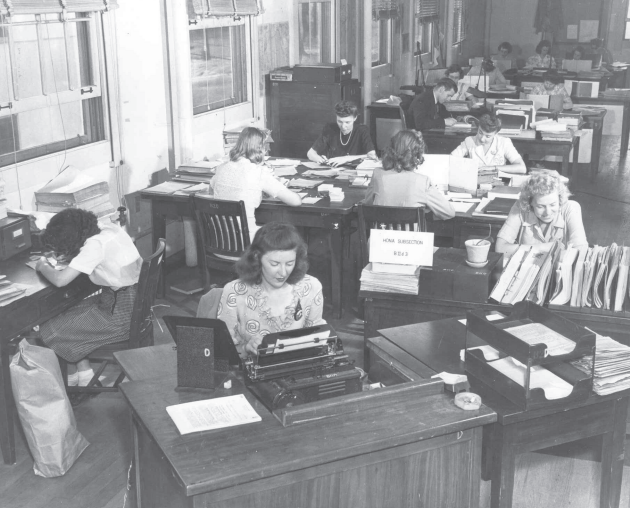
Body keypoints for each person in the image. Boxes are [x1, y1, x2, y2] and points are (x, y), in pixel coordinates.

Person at [36, 209, 143, 386]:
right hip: (133, 304)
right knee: (66, 312)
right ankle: (84, 374)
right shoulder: (110, 229)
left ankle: (71, 379)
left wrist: (43, 266)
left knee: (51, 328)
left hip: (119, 316)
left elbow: (61, 280)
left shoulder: (94, 245)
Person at [217, 222, 325, 358]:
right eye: (274, 264)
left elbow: (317, 340)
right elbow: (224, 351)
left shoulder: (311, 287)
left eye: (290, 263)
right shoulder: (234, 292)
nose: (283, 272)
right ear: (257, 257)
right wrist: (246, 348)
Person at [211, 127, 302, 241]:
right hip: (248, 246)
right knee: (287, 236)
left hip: (219, 243)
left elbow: (213, 188)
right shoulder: (259, 173)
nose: (265, 151)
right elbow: (296, 201)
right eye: (265, 147)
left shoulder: (221, 168)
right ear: (259, 149)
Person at [363, 130, 455, 220]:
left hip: (380, 234)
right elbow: (449, 212)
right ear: (417, 155)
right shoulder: (423, 182)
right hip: (412, 235)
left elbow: (367, 205)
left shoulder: (377, 174)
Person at [495, 171, 588, 256]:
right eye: (540, 206)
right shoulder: (520, 207)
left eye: (553, 205)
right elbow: (500, 248)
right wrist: (547, 248)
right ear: (530, 203)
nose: (547, 212)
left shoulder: (571, 208)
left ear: (560, 199)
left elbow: (581, 251)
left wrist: (527, 249)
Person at [450, 114, 526, 175]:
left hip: (498, 184)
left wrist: (493, 168)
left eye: (488, 136)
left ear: (496, 133)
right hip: (474, 182)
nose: (482, 139)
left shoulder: (504, 142)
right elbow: (450, 160)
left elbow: (522, 168)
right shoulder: (469, 141)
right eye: (480, 132)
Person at [307, 101, 376, 164]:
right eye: (339, 121)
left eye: (347, 122)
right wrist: (319, 159)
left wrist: (346, 158)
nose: (343, 126)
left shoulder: (362, 130)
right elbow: (310, 153)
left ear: (355, 118)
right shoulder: (329, 128)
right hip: (332, 170)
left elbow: (372, 156)